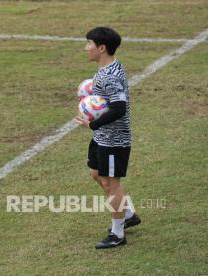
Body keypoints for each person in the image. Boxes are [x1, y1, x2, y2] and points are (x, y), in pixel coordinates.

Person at [75, 27, 141, 249]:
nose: (86, 48)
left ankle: (118, 234)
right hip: (102, 137)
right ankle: (128, 214)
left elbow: (119, 108)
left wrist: (92, 123)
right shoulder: (106, 68)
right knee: (96, 174)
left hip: (114, 140)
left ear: (101, 48)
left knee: (112, 183)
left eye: (89, 44)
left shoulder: (109, 76)